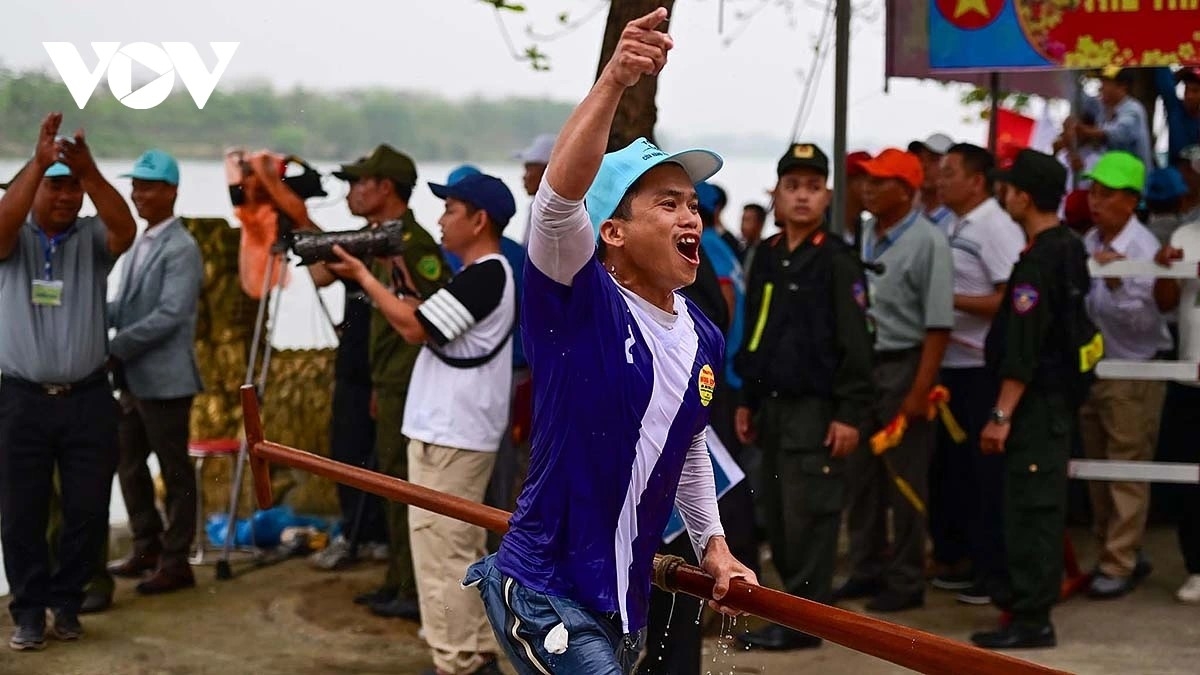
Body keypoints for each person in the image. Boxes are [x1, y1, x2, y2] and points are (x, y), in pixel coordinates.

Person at [461, 9, 758, 673]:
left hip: (623, 603)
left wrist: (713, 541)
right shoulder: (578, 301)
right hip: (544, 592)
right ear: (614, 233)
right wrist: (615, 80)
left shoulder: (702, 334)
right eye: (667, 203)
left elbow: (686, 448)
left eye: (692, 202)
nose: (692, 216)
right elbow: (557, 205)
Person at [327, 172, 518, 675]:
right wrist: (394, 273)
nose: (440, 219)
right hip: (452, 432)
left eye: (451, 209)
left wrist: (362, 277)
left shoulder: (487, 275)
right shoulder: (478, 276)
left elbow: (415, 327)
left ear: (479, 220)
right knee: (461, 550)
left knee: (441, 557)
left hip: (451, 435)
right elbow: (424, 313)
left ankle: (455, 662)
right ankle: (477, 651)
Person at [0, 113, 136, 650]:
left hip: (86, 398)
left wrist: (90, 170)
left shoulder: (91, 238)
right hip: (21, 400)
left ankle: (67, 600)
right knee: (22, 511)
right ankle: (29, 611)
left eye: (71, 187)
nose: (65, 197)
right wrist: (38, 163)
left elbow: (125, 229)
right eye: (55, 186)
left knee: (86, 509)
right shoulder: (14, 241)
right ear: (33, 187)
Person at [734, 142, 875, 651]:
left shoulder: (836, 260)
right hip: (772, 406)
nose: (801, 197)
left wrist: (851, 414)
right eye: (792, 187)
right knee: (776, 510)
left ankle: (805, 621)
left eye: (813, 188)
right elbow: (756, 332)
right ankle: (788, 609)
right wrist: (748, 398)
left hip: (817, 411)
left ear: (827, 196)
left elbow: (857, 344)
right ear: (777, 194)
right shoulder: (768, 255)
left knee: (810, 514)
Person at [305, 144, 451, 619]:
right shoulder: (380, 241)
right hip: (388, 382)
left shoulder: (413, 245)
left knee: (406, 485)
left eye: (359, 182)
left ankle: (411, 590)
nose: (351, 191)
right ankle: (398, 581)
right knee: (391, 481)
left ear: (385, 188)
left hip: (408, 382)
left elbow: (431, 320)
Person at [972, 149, 1089, 650]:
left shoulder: (1038, 262)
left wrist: (1001, 415)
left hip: (1036, 408)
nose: (1004, 195)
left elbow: (1025, 349)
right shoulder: (1067, 246)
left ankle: (1033, 618)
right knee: (1034, 507)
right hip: (1054, 405)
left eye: (1009, 188)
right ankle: (1026, 607)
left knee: (1032, 512)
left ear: (1023, 195)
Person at [927, 143, 1024, 605]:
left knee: (986, 477)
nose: (939, 181)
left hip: (982, 368)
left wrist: (943, 303)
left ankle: (991, 574)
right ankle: (962, 561)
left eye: (949, 173)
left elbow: (1010, 300)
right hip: (952, 368)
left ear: (977, 181)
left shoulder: (996, 226)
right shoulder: (950, 223)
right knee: (956, 475)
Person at [105, 149, 204, 595]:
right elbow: (124, 307)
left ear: (171, 191)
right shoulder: (139, 242)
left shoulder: (181, 247)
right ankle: (146, 544)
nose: (138, 194)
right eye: (136, 185)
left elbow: (170, 315)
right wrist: (86, 314)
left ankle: (176, 558)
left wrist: (113, 347)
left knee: (174, 470)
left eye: (147, 186)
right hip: (132, 378)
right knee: (127, 463)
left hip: (165, 381)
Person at [1078, 151, 1169, 599]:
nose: (1096, 201)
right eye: (1093, 191)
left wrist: (1116, 284)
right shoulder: (1088, 240)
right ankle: (1114, 553)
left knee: (1126, 468)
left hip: (1132, 371)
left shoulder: (1145, 249)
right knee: (1099, 470)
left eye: (1107, 193)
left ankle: (1119, 560)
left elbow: (1147, 324)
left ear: (1131, 201)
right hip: (1096, 370)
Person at [1152, 194, 1200, 604]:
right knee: (1190, 480)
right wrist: (1165, 269)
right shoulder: (1186, 234)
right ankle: (1198, 566)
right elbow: (1164, 302)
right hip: (1190, 375)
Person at [1070, 67, 1154, 170]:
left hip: (1131, 181)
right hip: (1113, 176)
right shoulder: (1103, 108)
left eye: (1105, 83)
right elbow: (1080, 99)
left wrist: (1085, 131)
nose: (1100, 88)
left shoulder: (1133, 110)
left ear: (1122, 86)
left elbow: (1117, 133)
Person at [908, 133, 956, 231]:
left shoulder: (958, 221)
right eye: (920, 159)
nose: (924, 166)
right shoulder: (909, 213)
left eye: (934, 159)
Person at [740, 202, 766, 274]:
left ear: (760, 223)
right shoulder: (740, 250)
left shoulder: (767, 252)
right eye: (742, 220)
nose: (742, 226)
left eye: (747, 220)